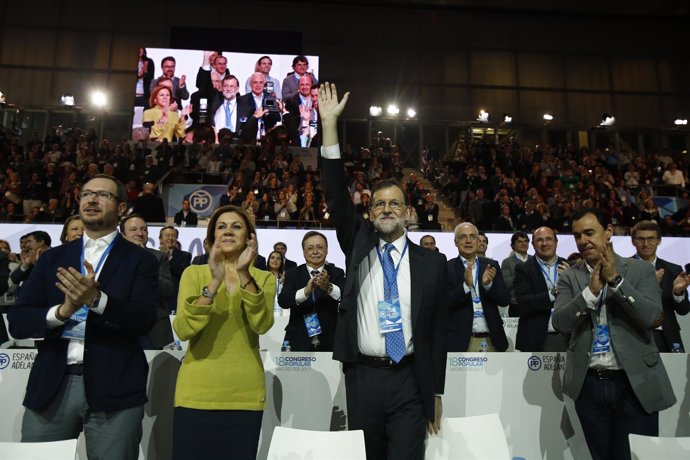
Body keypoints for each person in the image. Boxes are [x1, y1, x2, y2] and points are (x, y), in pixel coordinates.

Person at [318, 82, 447, 460]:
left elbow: (437, 333)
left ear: (409, 212)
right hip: (364, 378)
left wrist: (435, 391)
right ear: (369, 214)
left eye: (395, 204)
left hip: (410, 378)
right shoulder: (358, 244)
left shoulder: (432, 263)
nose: (386, 210)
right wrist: (329, 126)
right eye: (378, 205)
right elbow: (336, 195)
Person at [8, 174, 158, 459]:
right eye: (86, 194)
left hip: (116, 388)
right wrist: (63, 311)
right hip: (53, 384)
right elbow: (18, 321)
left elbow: (143, 318)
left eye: (103, 195)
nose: (92, 199)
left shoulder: (141, 260)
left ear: (122, 208)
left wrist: (96, 300)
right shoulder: (52, 258)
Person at [553, 208, 676, 460]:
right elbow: (560, 323)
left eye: (589, 233)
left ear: (608, 232)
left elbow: (653, 317)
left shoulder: (640, 270)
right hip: (589, 385)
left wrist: (616, 282)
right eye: (577, 236)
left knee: (635, 455)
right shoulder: (569, 277)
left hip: (636, 383)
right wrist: (589, 293)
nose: (583, 240)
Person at [172, 205, 275, 460]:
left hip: (245, 395)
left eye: (237, 226)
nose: (228, 231)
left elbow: (261, 324)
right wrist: (214, 283)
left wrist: (242, 273)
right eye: (222, 226)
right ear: (211, 239)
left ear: (250, 239)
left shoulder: (263, 278)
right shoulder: (193, 273)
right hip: (196, 394)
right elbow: (183, 329)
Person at [447, 222, 510, 352]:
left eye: (472, 236)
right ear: (455, 242)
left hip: (492, 339)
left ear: (478, 240)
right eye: (463, 237)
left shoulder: (491, 265)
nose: (468, 241)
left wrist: (488, 286)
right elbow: (443, 304)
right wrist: (465, 286)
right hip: (461, 342)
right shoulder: (447, 267)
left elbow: (504, 300)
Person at [278, 231, 344, 351]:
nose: (315, 252)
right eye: (310, 248)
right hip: (297, 338)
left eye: (320, 247)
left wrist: (328, 288)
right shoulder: (292, 274)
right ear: (303, 251)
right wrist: (305, 292)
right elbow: (283, 301)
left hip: (330, 338)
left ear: (327, 249)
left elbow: (346, 297)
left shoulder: (337, 272)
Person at [630, 220, 690, 352]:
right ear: (633, 241)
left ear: (659, 241)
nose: (646, 244)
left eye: (651, 239)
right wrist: (647, 287)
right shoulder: (622, 270)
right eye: (641, 239)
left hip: (667, 337)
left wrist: (678, 293)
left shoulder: (673, 270)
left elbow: (684, 310)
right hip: (633, 337)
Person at [120, 214, 175, 350]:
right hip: (121, 325)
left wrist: (144, 262)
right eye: (133, 229)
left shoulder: (158, 257)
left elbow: (167, 289)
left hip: (152, 328)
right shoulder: (115, 258)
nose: (140, 233)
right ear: (122, 235)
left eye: (144, 229)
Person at [514, 226, 570, 352]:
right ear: (533, 244)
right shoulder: (523, 269)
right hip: (535, 339)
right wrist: (554, 293)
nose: (545, 243)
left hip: (568, 337)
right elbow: (523, 302)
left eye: (549, 239)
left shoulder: (569, 267)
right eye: (539, 240)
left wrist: (570, 279)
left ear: (556, 242)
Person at [159, 225, 192, 313]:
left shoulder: (185, 256)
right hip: (157, 299)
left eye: (173, 236)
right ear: (160, 238)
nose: (170, 238)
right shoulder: (153, 255)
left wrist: (169, 257)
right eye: (167, 235)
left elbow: (184, 273)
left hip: (174, 299)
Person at [10, 231, 52, 296]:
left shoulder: (56, 255)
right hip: (25, 298)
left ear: (41, 242)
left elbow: (50, 278)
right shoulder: (28, 256)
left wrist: (36, 264)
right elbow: (14, 279)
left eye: (29, 241)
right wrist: (24, 266)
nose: (26, 245)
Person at [500, 231, 530, 317]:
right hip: (515, 304)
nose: (523, 243)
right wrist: (522, 276)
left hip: (534, 303)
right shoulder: (507, 262)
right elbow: (505, 282)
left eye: (525, 241)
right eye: (520, 241)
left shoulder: (535, 260)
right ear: (513, 245)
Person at [284, 76, 320, 147]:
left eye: (307, 84)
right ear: (298, 86)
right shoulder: (291, 101)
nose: (304, 87)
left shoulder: (318, 105)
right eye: (302, 84)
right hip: (299, 140)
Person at [267, 250, 285, 315]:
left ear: (281, 262)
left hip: (283, 314)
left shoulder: (286, 278)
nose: (275, 260)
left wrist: (282, 283)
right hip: (267, 314)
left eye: (278, 259)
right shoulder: (263, 277)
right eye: (272, 258)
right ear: (268, 260)